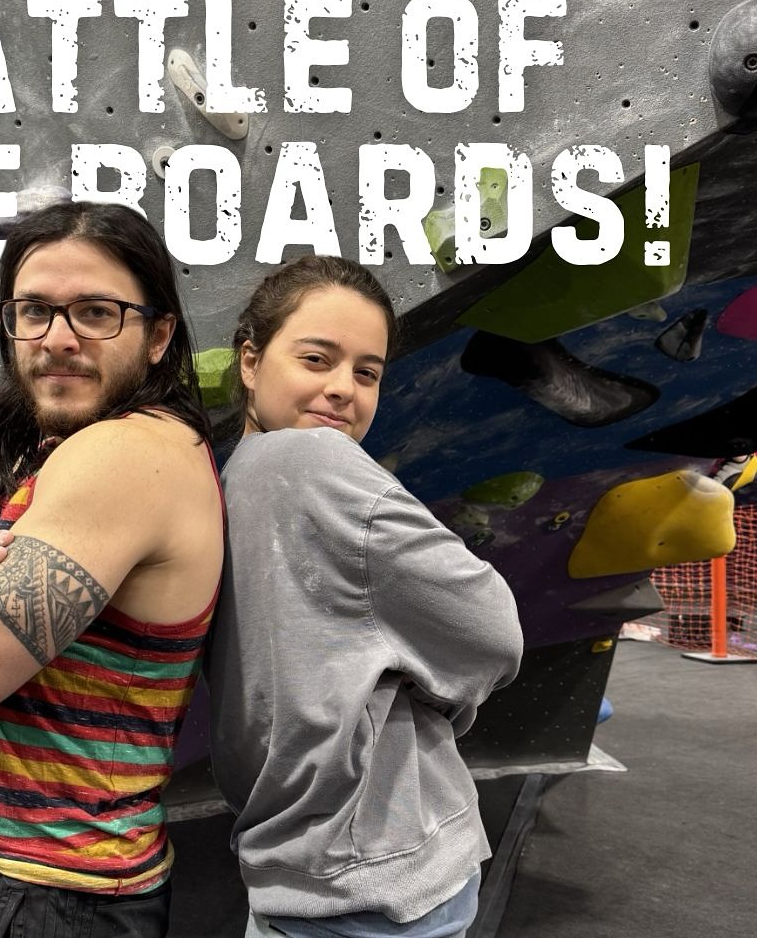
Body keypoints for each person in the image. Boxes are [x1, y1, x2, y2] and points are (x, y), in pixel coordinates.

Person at [0, 201, 225, 938]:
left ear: (159, 336)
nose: (58, 338)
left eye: (96, 313)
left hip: (44, 896)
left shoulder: (123, 456)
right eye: (35, 311)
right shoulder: (76, 445)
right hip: (34, 883)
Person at [206, 255, 524, 938]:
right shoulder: (318, 459)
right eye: (316, 359)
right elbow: (495, 631)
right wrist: (435, 692)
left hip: (312, 867)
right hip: (382, 868)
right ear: (251, 361)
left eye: (366, 373)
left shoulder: (224, 481)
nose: (342, 390)